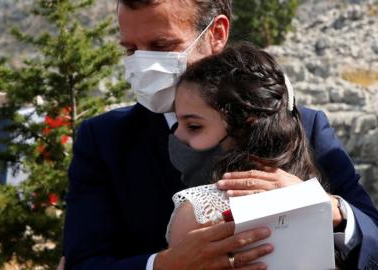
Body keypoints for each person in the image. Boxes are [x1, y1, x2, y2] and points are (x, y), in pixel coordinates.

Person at [63, 0, 378, 269]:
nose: (142, 64)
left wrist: (328, 207)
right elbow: (82, 260)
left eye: (161, 46)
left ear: (216, 34)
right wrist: (162, 264)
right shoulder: (104, 140)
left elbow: (372, 237)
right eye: (131, 49)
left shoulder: (303, 125)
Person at [166, 43, 325, 248]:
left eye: (194, 126)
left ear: (242, 125)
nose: (177, 136)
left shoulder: (196, 214)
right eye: (178, 123)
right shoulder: (313, 200)